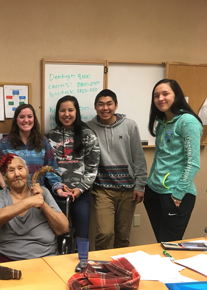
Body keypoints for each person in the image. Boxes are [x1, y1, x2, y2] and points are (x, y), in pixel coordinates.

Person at [87, 89, 147, 250]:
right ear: (95, 106)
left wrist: (140, 185)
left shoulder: (129, 125)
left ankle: (119, 270)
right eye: (101, 104)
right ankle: (100, 268)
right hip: (102, 190)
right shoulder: (88, 128)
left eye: (109, 104)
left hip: (128, 190)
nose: (105, 108)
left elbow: (138, 157)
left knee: (123, 236)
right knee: (105, 233)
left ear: (116, 105)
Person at [144, 79, 203, 242]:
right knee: (161, 243)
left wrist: (178, 194)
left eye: (165, 94)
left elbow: (193, 163)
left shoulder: (188, 122)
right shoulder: (163, 122)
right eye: (156, 96)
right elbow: (159, 157)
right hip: (154, 192)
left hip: (175, 194)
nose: (160, 98)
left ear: (176, 96)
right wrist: (149, 184)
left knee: (169, 245)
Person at [0, 153, 69, 263]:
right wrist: (29, 202)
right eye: (11, 171)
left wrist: (42, 204)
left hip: (44, 258)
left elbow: (63, 228)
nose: (17, 174)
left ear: (27, 171)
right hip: (5, 258)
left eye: (20, 168)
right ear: (4, 177)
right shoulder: (0, 196)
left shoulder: (43, 192)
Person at [45, 96, 100, 240]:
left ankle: (81, 262)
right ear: (57, 113)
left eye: (70, 110)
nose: (66, 114)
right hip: (55, 193)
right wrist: (57, 187)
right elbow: (46, 166)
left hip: (80, 194)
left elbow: (93, 167)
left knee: (81, 236)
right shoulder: (49, 136)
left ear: (77, 112)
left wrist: (80, 189)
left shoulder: (88, 135)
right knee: (54, 235)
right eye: (62, 110)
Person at [0, 104, 71, 198]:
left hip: (37, 195)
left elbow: (51, 168)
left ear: (34, 119)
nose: (26, 120)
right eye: (22, 117)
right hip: (13, 197)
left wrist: (59, 189)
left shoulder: (43, 142)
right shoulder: (4, 144)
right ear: (16, 121)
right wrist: (5, 189)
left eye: (30, 117)